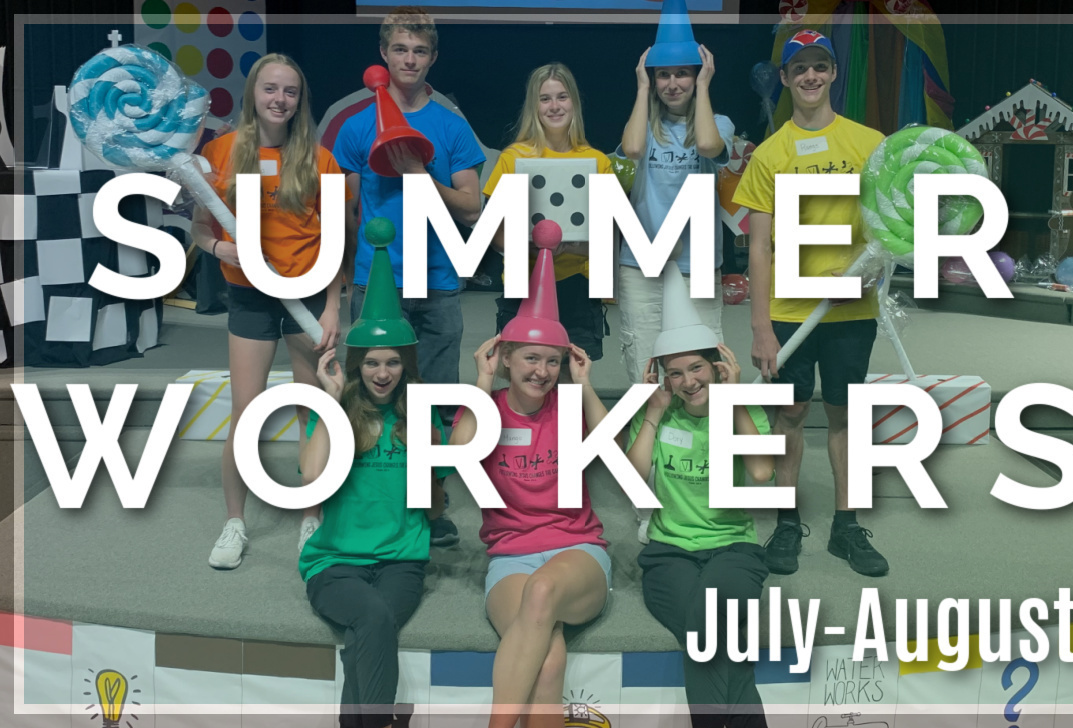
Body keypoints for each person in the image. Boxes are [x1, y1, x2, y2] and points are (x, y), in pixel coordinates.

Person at [732, 29, 889, 577]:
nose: (810, 77)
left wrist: (879, 271)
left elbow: (887, 225)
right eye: (799, 69)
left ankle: (847, 525)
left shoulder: (870, 145)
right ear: (785, 79)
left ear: (833, 73)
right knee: (790, 414)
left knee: (844, 414)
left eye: (820, 67)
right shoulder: (769, 155)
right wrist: (759, 327)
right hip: (790, 313)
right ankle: (785, 521)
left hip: (851, 309)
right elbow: (757, 247)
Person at [332, 6, 486, 548]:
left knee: (436, 402)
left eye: (420, 51)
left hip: (440, 282)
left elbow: (470, 208)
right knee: (368, 399)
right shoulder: (354, 128)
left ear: (433, 57)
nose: (410, 60)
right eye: (401, 49)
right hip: (379, 286)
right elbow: (345, 215)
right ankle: (368, 505)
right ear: (384, 53)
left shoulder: (450, 126)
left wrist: (419, 176)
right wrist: (344, 282)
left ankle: (433, 506)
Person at [194, 53, 353, 570]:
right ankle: (234, 523)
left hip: (307, 298)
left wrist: (332, 308)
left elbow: (338, 242)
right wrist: (222, 250)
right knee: (246, 413)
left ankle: (311, 517)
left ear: (299, 100)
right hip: (249, 297)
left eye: (290, 91)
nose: (279, 100)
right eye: (270, 89)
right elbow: (199, 229)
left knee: (315, 412)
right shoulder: (219, 153)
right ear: (253, 94)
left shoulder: (320, 159)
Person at [449, 223, 611, 728]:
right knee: (549, 655)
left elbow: (621, 458)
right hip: (509, 557)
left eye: (553, 362)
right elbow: (457, 459)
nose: (541, 371)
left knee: (543, 595)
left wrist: (585, 385)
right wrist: (480, 378)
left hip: (577, 552)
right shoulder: (485, 408)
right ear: (506, 358)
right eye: (530, 358)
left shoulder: (570, 405)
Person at [301, 220, 449, 728]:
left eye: (392, 363)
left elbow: (444, 482)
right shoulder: (337, 411)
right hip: (334, 561)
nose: (381, 373)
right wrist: (329, 396)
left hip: (401, 562)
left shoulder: (421, 416)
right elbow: (311, 476)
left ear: (406, 365)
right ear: (356, 364)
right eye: (370, 364)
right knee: (372, 618)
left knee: (370, 628)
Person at [626, 261, 773, 728]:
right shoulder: (658, 413)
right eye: (675, 374)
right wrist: (651, 414)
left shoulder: (742, 410)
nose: (689, 381)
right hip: (668, 554)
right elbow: (634, 481)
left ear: (717, 366)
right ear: (662, 379)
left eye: (697, 368)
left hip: (734, 549)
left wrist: (732, 402)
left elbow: (761, 471)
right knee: (714, 634)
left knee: (705, 629)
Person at [617, 3, 735, 543]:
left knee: (701, 374)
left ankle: (702, 484)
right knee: (649, 377)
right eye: (663, 73)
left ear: (697, 74)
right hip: (641, 262)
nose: (672, 83)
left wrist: (705, 87)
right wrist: (640, 89)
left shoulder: (720, 122)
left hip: (697, 266)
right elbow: (634, 148)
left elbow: (710, 147)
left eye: (681, 73)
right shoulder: (642, 119)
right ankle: (649, 501)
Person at [483, 63, 613, 363]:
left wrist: (572, 246)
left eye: (562, 97)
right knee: (524, 379)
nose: (554, 106)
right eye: (545, 99)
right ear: (534, 106)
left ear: (574, 103)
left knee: (572, 381)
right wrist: (530, 247)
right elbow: (493, 229)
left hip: (577, 287)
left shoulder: (596, 161)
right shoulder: (513, 158)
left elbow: (607, 235)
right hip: (523, 285)